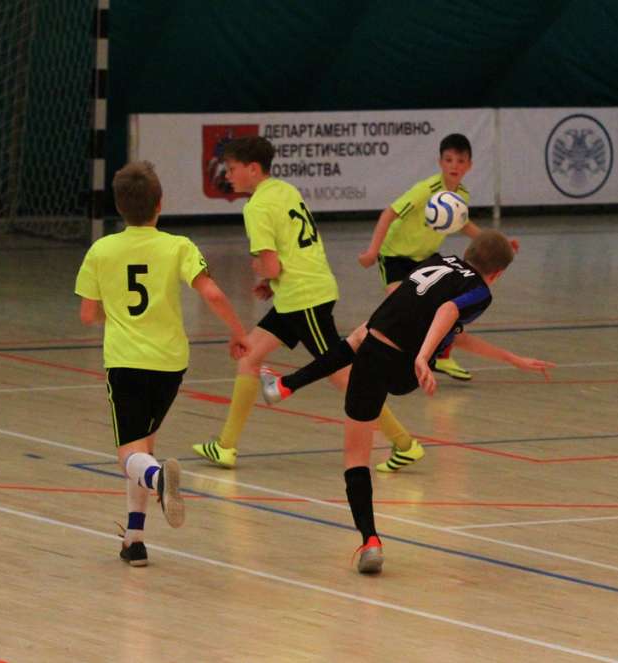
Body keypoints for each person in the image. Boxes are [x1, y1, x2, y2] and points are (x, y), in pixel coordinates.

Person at [262, 230, 554, 573]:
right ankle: (284, 385)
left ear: (468, 250)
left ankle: (371, 541)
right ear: (498, 273)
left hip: (377, 355)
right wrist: (427, 356)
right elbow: (450, 318)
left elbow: (443, 315)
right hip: (406, 369)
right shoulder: (479, 290)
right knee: (363, 336)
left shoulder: (436, 262)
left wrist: (505, 358)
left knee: (356, 450)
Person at [191, 135, 420, 471]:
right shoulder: (285, 190)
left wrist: (263, 272)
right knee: (249, 356)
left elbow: (271, 265)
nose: (227, 175)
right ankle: (226, 446)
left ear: (252, 169)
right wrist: (273, 282)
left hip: (305, 298)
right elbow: (294, 249)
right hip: (300, 292)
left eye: (232, 168)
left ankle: (404, 443)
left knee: (345, 376)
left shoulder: (256, 207)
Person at [75, 161, 249, 567]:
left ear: (119, 206)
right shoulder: (178, 246)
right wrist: (239, 332)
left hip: (126, 363)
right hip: (171, 364)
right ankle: (134, 540)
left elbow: (87, 315)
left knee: (129, 457)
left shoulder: (102, 250)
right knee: (144, 447)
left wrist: (114, 315)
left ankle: (157, 479)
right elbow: (213, 294)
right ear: (160, 204)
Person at [357, 133, 517, 382]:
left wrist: (499, 243)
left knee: (444, 307)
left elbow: (462, 224)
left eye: (460, 161)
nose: (454, 165)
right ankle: (368, 348)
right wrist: (372, 251)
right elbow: (388, 214)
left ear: (469, 165)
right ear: (440, 162)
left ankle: (442, 356)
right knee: (404, 307)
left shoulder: (461, 194)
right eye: (449, 160)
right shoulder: (426, 190)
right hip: (395, 256)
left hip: (426, 258)